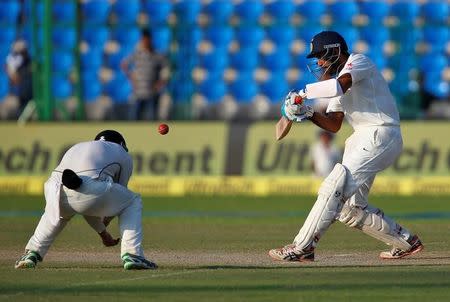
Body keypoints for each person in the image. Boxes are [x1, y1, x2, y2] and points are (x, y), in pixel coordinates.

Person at [270, 31, 423, 262]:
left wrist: (302, 94)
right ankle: (405, 242)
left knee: (333, 185)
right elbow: (334, 125)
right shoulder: (334, 85)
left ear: (335, 50)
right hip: (361, 137)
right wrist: (307, 112)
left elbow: (340, 86)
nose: (319, 62)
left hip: (381, 132)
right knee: (350, 208)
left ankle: (303, 247)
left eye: (321, 55)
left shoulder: (358, 62)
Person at [15, 130, 157, 270]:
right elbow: (115, 193)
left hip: (54, 187)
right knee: (132, 201)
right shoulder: (121, 152)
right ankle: (133, 254)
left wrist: (103, 233)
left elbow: (83, 202)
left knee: (58, 215)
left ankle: (31, 254)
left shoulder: (78, 147)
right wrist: (107, 218)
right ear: (121, 144)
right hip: (89, 187)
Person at [121, 29, 169, 120]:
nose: (145, 42)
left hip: (153, 90)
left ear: (150, 40)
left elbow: (166, 69)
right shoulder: (137, 54)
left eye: (147, 40)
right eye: (144, 40)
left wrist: (160, 82)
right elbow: (124, 64)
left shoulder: (158, 55)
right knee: (136, 115)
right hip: (139, 90)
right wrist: (131, 78)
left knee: (153, 116)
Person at [6, 40, 33, 116]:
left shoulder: (28, 59)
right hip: (19, 89)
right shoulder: (13, 58)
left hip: (27, 89)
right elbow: (13, 75)